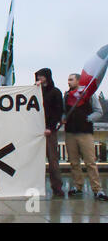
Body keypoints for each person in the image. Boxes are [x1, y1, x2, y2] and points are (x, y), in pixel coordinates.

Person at [63, 73, 108, 201]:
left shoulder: (88, 95)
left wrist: (87, 119)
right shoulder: (66, 96)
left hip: (85, 133)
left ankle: (97, 189)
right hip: (70, 133)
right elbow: (63, 111)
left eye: (71, 79)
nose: (68, 82)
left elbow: (98, 111)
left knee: (90, 162)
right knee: (74, 162)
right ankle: (78, 186)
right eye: (68, 79)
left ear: (78, 81)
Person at [35, 68, 65, 197]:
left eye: (41, 76)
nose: (39, 79)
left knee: (53, 160)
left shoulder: (55, 92)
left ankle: (57, 187)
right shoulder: (36, 91)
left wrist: (51, 127)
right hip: (36, 129)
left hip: (48, 131)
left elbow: (57, 111)